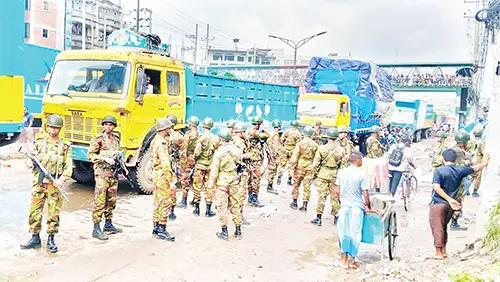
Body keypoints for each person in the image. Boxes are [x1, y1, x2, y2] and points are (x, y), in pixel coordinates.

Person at [20, 114, 72, 253]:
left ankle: (51, 238)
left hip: (53, 184)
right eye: (50, 127)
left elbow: (68, 166)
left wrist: (61, 179)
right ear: (46, 127)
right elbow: (32, 157)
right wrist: (28, 163)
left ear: (59, 129)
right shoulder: (40, 142)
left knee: (53, 213)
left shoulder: (64, 146)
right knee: (34, 210)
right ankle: (35, 237)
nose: (52, 130)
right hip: (39, 183)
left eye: (55, 128)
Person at [429, 149, 490, 259]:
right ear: (455, 160)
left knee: (437, 227)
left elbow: (436, 187)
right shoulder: (459, 170)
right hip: (452, 205)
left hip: (439, 203)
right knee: (443, 226)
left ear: (443, 159)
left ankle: (438, 252)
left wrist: (448, 199)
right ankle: (444, 251)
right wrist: (484, 163)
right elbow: (475, 169)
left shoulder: (439, 171)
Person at [88, 115, 122, 241]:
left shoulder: (116, 139)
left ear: (114, 126)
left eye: (111, 125)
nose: (108, 127)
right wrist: (104, 158)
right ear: (103, 125)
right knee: (99, 201)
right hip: (101, 174)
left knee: (111, 200)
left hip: (113, 174)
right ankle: (96, 228)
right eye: (106, 124)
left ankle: (108, 223)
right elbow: (90, 155)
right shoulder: (98, 139)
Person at [335, 152, 371, 269]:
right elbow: (365, 194)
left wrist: (341, 202)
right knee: (355, 233)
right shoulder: (361, 174)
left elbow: (337, 191)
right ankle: (352, 260)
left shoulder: (341, 173)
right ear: (358, 160)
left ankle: (344, 259)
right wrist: (368, 206)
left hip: (344, 207)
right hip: (356, 208)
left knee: (343, 233)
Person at [208, 128, 243, 241]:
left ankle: (224, 232)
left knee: (222, 206)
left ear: (221, 139)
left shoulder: (218, 153)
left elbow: (214, 172)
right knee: (236, 205)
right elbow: (239, 162)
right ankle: (238, 230)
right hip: (234, 181)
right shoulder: (237, 150)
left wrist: (210, 186)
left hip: (222, 183)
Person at [310, 128, 343, 226]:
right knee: (335, 198)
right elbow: (343, 165)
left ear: (328, 136)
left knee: (321, 197)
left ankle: (318, 218)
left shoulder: (322, 148)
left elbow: (315, 164)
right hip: (335, 175)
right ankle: (336, 219)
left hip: (323, 174)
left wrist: (314, 175)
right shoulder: (341, 150)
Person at [150, 118, 176, 241]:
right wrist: (170, 180)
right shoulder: (162, 143)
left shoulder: (155, 140)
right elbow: (165, 163)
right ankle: (162, 228)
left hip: (156, 174)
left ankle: (155, 227)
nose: (170, 129)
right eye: (169, 128)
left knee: (157, 201)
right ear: (164, 129)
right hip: (163, 176)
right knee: (166, 201)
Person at [289, 126, 319, 212]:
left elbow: (295, 157)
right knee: (307, 186)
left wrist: (291, 166)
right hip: (310, 166)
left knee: (296, 184)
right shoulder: (315, 145)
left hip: (300, 166)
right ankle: (305, 205)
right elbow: (317, 158)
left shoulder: (300, 143)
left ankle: (294, 202)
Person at [192, 117, 218, 217]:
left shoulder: (201, 138)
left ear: (203, 126)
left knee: (197, 187)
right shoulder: (215, 138)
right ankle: (208, 211)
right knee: (209, 187)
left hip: (200, 166)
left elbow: (197, 153)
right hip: (210, 166)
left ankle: (197, 210)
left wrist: (195, 158)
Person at [231, 122, 252, 225]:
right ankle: (239, 215)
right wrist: (248, 155)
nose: (245, 133)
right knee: (241, 194)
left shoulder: (233, 140)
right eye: (244, 131)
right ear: (240, 132)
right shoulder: (239, 142)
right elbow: (237, 156)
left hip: (235, 171)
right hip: (240, 171)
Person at [246, 116, 269, 207]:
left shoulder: (250, 132)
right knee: (256, 178)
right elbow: (267, 135)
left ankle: (250, 197)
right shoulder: (254, 133)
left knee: (250, 178)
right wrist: (265, 126)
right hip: (255, 159)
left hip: (251, 158)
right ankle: (254, 198)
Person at [166, 114, 185, 220]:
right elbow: (183, 152)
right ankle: (171, 211)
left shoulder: (161, 136)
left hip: (165, 165)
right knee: (173, 187)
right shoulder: (178, 136)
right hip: (173, 164)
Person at [180, 116, 200, 207]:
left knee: (185, 179)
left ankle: (184, 201)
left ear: (190, 125)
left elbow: (184, 150)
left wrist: (183, 164)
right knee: (195, 180)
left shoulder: (188, 135)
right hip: (196, 159)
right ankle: (195, 200)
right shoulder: (199, 134)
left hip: (188, 159)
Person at [364, 125, 389, 193]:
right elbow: (375, 151)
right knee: (377, 175)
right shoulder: (373, 141)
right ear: (376, 133)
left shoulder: (370, 139)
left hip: (371, 160)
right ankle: (377, 187)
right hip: (374, 161)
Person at [279, 120, 302, 185]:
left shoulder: (287, 131)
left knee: (282, 164)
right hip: (293, 150)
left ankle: (279, 176)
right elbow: (299, 144)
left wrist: (284, 146)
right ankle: (289, 178)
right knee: (291, 165)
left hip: (285, 149)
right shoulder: (298, 133)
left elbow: (281, 140)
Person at [266, 119, 283, 195]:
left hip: (271, 155)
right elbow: (277, 147)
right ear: (278, 126)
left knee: (271, 171)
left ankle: (270, 185)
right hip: (274, 156)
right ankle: (269, 186)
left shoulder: (271, 133)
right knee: (272, 171)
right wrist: (278, 157)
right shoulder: (275, 135)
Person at [470, 128, 485, 197]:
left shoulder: (471, 142)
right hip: (479, 160)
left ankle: (466, 190)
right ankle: (474, 191)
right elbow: (483, 152)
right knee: (478, 177)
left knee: (470, 175)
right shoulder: (482, 143)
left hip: (471, 160)